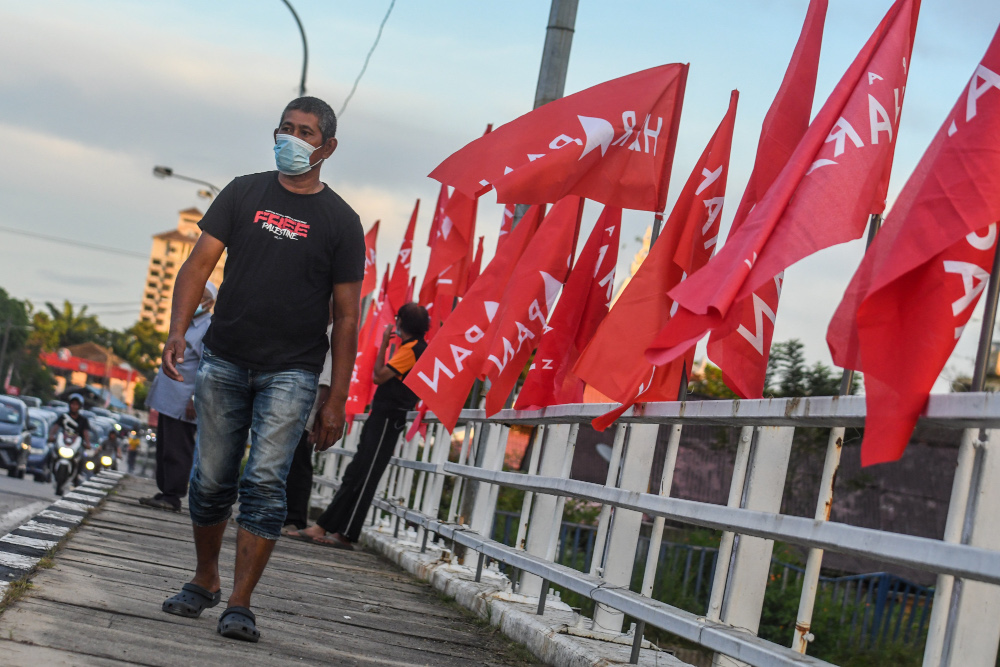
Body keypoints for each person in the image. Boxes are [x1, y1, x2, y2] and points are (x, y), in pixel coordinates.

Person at [158, 96, 364, 644]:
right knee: (210, 481)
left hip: (292, 372)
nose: (291, 139)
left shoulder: (342, 221)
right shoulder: (243, 191)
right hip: (224, 358)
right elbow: (198, 264)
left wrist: (336, 398)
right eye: (285, 128)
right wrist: (178, 330)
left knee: (265, 483)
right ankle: (204, 580)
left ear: (328, 147)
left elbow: (346, 318)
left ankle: (241, 602)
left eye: (304, 132)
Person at [289, 303, 429, 549]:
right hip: (382, 417)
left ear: (401, 324)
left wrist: (385, 343)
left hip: (389, 419)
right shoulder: (410, 347)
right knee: (356, 472)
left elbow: (379, 376)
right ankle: (325, 526)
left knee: (365, 475)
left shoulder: (413, 348)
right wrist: (387, 344)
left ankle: (345, 533)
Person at [140, 282, 217, 512]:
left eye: (200, 296)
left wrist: (195, 398)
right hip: (169, 398)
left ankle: (172, 496)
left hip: (184, 401)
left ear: (209, 303)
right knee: (165, 446)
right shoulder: (185, 325)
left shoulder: (208, 327)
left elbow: (207, 366)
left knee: (177, 449)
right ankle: (164, 491)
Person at [282, 321, 333, 533]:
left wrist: (315, 420)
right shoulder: (315, 328)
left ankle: (296, 519)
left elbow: (326, 382)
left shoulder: (331, 333)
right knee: (287, 464)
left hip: (307, 411)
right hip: (292, 406)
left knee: (299, 466)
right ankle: (285, 516)